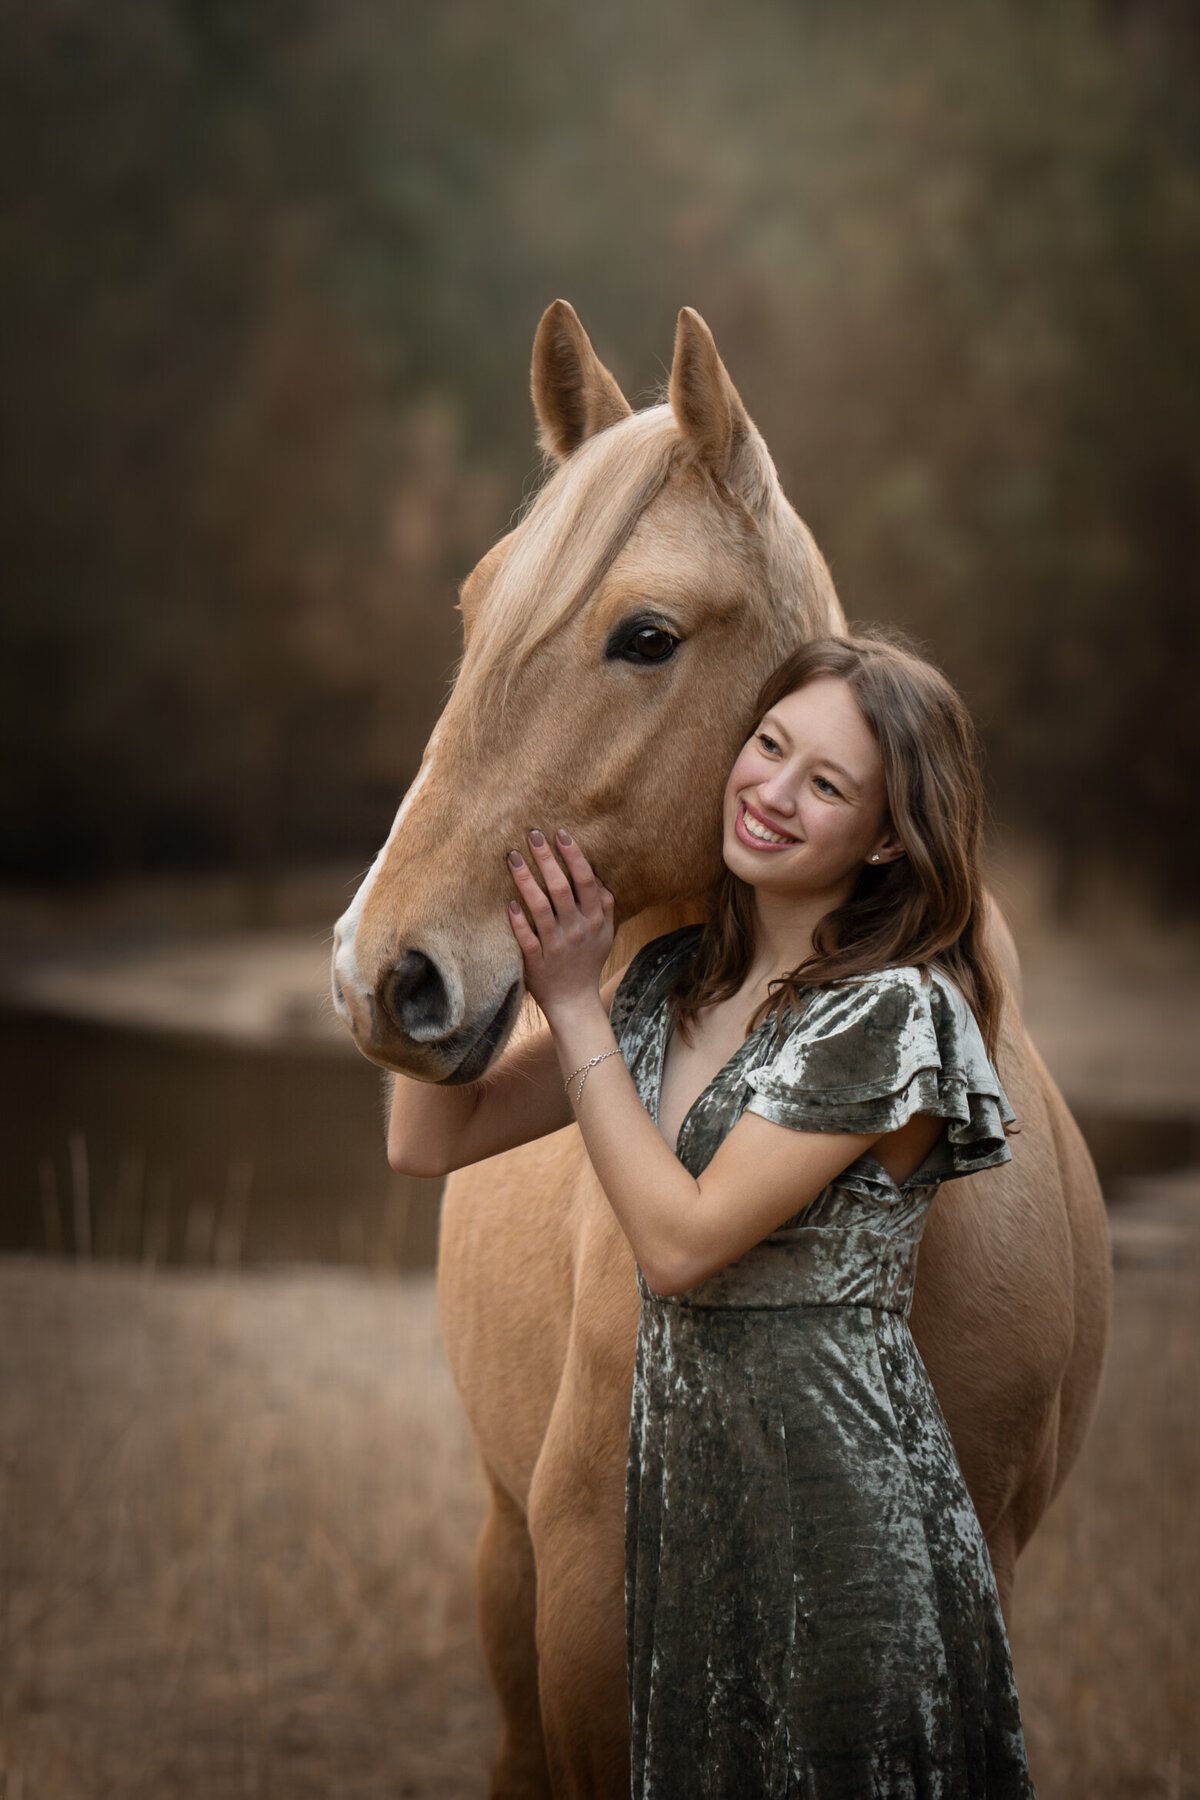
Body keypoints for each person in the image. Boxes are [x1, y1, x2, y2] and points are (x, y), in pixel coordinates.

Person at [388, 630, 1036, 1798]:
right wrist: (438, 884)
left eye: (825, 784)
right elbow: (426, 1139)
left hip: (843, 1537)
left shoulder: (895, 1017)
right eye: (769, 746)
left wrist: (572, 1006)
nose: (773, 792)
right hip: (690, 1521)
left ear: (887, 838)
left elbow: (680, 1244)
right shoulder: (664, 988)